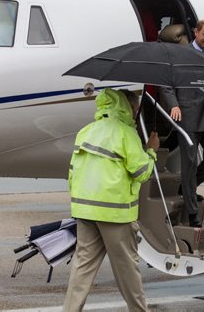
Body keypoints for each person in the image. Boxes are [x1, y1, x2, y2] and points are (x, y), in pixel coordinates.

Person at [63, 88, 159, 312]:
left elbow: (72, 172)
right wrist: (151, 151)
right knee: (127, 270)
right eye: (136, 109)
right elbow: (142, 172)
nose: (137, 114)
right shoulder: (126, 133)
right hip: (115, 213)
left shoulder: (86, 131)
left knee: (82, 268)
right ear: (130, 108)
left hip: (84, 210)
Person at [161, 19, 204, 227]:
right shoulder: (181, 55)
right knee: (188, 165)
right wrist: (174, 105)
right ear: (195, 32)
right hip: (187, 116)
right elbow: (167, 84)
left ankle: (188, 186)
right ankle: (192, 214)